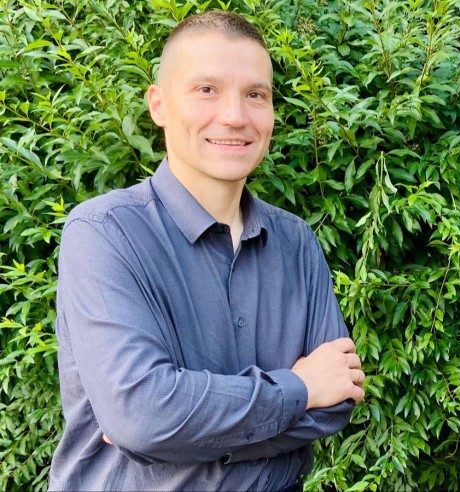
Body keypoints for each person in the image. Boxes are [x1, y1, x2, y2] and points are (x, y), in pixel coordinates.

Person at [49, 10, 365, 491]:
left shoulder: (297, 242)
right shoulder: (104, 234)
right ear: (158, 105)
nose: (235, 116)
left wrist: (174, 434)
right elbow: (144, 415)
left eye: (255, 94)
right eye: (206, 89)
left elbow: (336, 402)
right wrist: (300, 389)